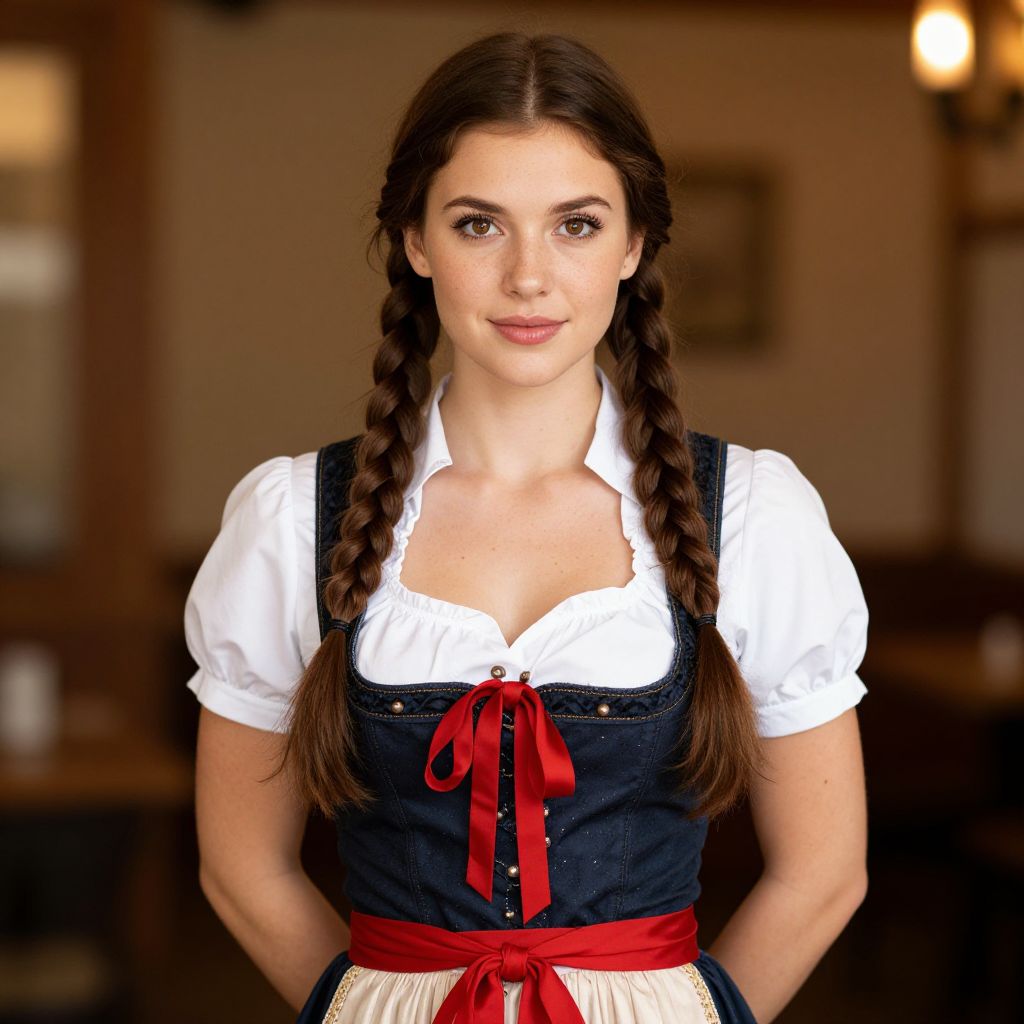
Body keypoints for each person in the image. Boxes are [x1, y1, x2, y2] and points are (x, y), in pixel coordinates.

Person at [185, 31, 869, 1024]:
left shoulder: (753, 513)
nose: (528, 277)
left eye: (576, 225)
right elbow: (240, 868)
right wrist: (372, 1006)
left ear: (634, 244)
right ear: (416, 241)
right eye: (478, 224)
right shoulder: (295, 516)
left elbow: (823, 873)